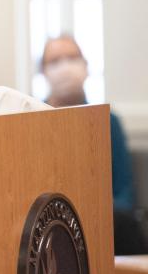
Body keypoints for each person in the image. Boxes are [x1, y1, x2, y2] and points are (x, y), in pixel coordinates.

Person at [40, 35, 143, 253]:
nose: (65, 66)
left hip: (104, 222)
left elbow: (125, 192)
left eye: (72, 57)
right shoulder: (32, 121)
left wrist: (93, 212)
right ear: (44, 71)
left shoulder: (108, 121)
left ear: (86, 65)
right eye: (55, 60)